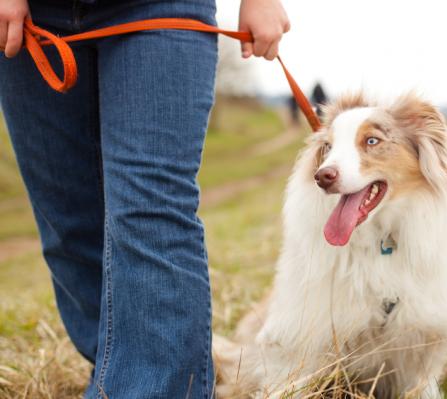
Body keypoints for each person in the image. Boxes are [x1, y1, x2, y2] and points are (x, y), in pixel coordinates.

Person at [0, 0, 289, 397]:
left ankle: (156, 387)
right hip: (35, 16)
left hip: (159, 7)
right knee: (66, 220)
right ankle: (115, 373)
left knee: (150, 211)